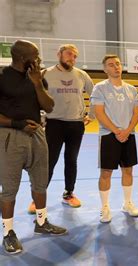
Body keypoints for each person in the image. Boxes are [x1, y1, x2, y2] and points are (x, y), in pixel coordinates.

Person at [0, 40, 67, 254]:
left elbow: (49, 106)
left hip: (37, 134)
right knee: (10, 188)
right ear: (22, 58)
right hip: (10, 135)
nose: (38, 59)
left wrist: (38, 83)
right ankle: (8, 233)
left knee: (40, 182)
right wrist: (17, 123)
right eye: (35, 55)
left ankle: (41, 222)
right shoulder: (2, 78)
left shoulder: (37, 77)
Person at [27, 44, 94, 214]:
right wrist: (39, 118)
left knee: (71, 160)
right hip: (54, 124)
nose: (72, 58)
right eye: (69, 54)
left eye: (74, 56)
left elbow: (96, 94)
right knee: (49, 161)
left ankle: (69, 193)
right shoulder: (46, 73)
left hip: (76, 124)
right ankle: (38, 197)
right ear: (59, 54)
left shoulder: (81, 75)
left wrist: (91, 115)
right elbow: (33, 96)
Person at [90, 55, 138, 223]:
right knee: (106, 173)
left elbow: (136, 113)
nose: (116, 67)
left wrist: (127, 130)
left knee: (128, 170)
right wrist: (117, 131)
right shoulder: (100, 88)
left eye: (118, 64)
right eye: (111, 65)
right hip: (109, 135)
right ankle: (105, 207)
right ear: (105, 69)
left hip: (128, 134)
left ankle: (127, 203)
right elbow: (99, 113)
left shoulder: (131, 89)